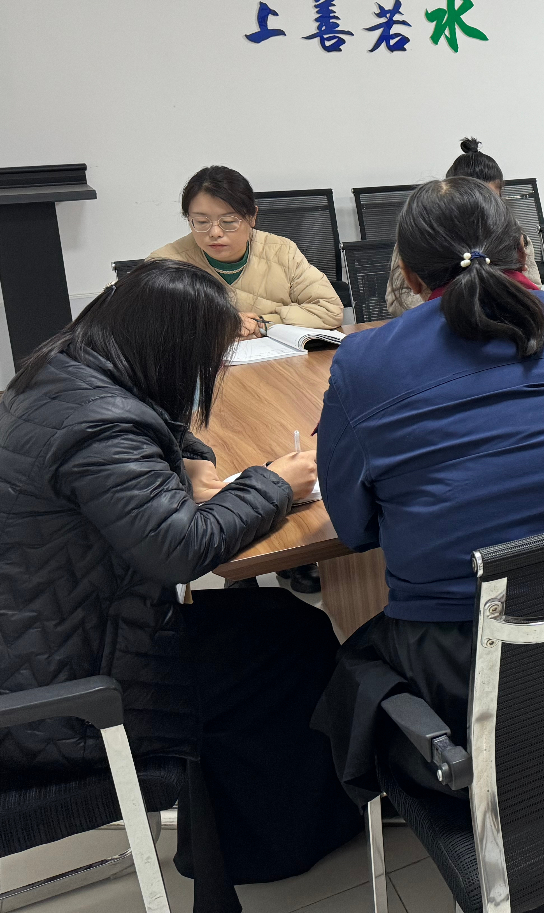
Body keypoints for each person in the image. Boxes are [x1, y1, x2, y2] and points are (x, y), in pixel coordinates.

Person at [314, 178, 544, 912]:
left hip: (478, 675)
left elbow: (353, 531)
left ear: (405, 274)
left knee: (352, 657)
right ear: (525, 249)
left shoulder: (364, 363)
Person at [0, 259, 355, 912]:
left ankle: (264, 825)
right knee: (293, 641)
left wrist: (185, 460)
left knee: (280, 621)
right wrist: (276, 483)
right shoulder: (101, 427)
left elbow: (150, 433)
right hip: (67, 700)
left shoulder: (61, 374)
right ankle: (269, 845)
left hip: (43, 643)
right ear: (169, 348)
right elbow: (182, 551)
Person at [150, 165, 343, 334]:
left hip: (274, 359)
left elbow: (330, 310)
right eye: (201, 222)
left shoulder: (282, 252)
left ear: (252, 217)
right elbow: (148, 326)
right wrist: (222, 326)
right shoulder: (165, 264)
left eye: (228, 221)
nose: (215, 232)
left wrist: (261, 324)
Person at [385, 136, 535, 316]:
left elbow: (533, 287)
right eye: (470, 202)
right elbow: (396, 302)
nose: (482, 210)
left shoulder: (515, 236)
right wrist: (459, 302)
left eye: (491, 200)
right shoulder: (418, 239)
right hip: (439, 322)